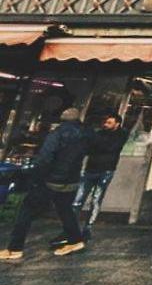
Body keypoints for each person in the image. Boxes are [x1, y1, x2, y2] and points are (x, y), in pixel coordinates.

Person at [0, 108, 92, 261]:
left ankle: (14, 248)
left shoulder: (57, 134)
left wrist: (35, 175)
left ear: (62, 120)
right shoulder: (86, 135)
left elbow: (44, 158)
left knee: (27, 210)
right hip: (71, 181)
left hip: (51, 180)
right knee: (65, 209)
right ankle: (76, 240)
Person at [72, 113, 127, 240]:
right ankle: (71, 227)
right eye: (105, 122)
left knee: (96, 199)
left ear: (117, 124)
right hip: (90, 169)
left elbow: (111, 147)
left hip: (106, 171)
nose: (106, 125)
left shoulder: (121, 134)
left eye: (109, 123)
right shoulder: (99, 133)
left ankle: (88, 228)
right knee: (78, 199)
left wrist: (96, 145)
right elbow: (88, 148)